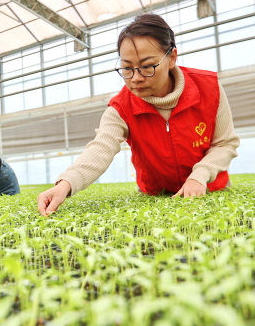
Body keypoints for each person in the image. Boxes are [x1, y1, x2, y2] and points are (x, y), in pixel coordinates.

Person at [38, 13, 240, 216]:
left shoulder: (208, 88)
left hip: (210, 192)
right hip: (154, 199)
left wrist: (200, 176)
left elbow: (225, 143)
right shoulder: (121, 107)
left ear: (171, 58)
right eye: (127, 68)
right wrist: (65, 184)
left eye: (147, 67)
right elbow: (101, 147)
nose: (135, 78)